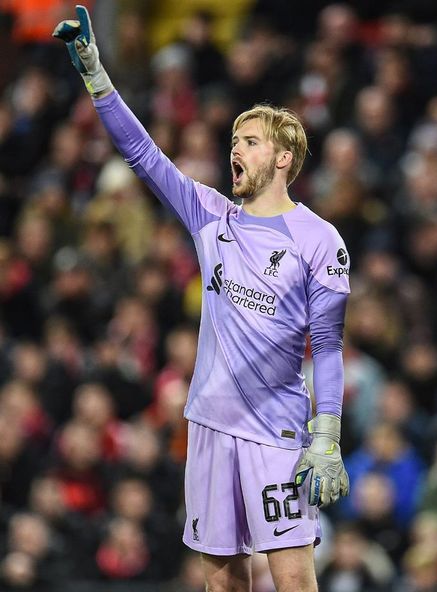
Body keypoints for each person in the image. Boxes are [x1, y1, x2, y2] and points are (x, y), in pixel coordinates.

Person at [52, 7, 350, 591]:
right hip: (209, 425)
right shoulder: (210, 216)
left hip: (277, 431)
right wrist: (95, 72)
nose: (235, 149)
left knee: (293, 581)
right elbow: (143, 155)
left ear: (284, 158)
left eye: (251, 141)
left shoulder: (320, 240)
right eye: (233, 139)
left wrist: (327, 437)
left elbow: (330, 346)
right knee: (220, 583)